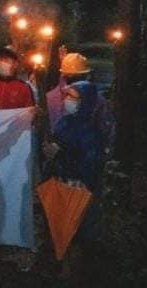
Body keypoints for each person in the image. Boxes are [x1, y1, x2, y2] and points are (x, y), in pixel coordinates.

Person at [43, 81, 113, 276]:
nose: (67, 101)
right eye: (67, 96)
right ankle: (61, 264)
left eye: (73, 97)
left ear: (86, 101)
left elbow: (89, 165)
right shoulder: (64, 122)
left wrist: (60, 153)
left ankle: (80, 271)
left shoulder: (93, 132)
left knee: (80, 231)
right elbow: (55, 147)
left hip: (81, 189)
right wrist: (50, 156)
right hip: (61, 184)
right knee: (60, 227)